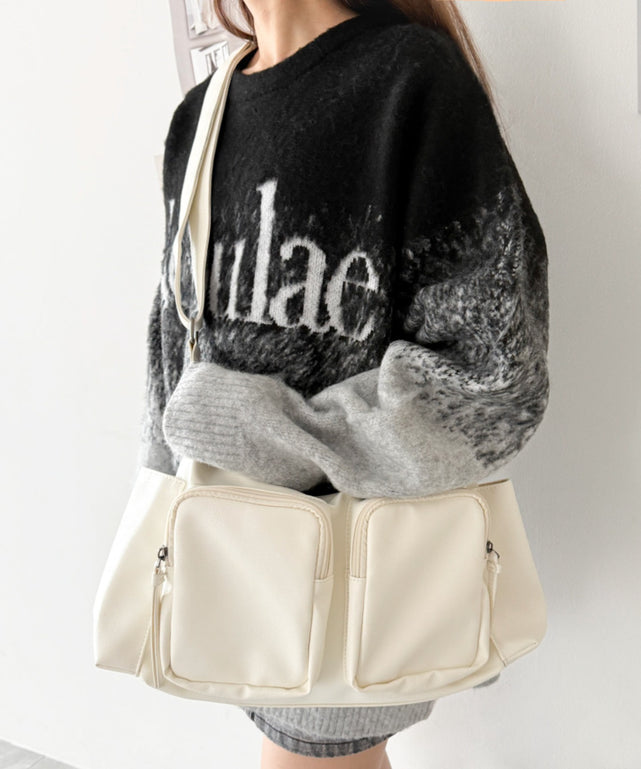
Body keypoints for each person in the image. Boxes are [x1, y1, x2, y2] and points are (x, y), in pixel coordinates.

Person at [138, 0, 551, 765]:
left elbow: (493, 380)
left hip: (353, 569)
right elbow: (171, 344)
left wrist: (261, 427)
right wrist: (161, 513)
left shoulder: (407, 82)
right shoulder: (199, 116)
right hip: (227, 556)